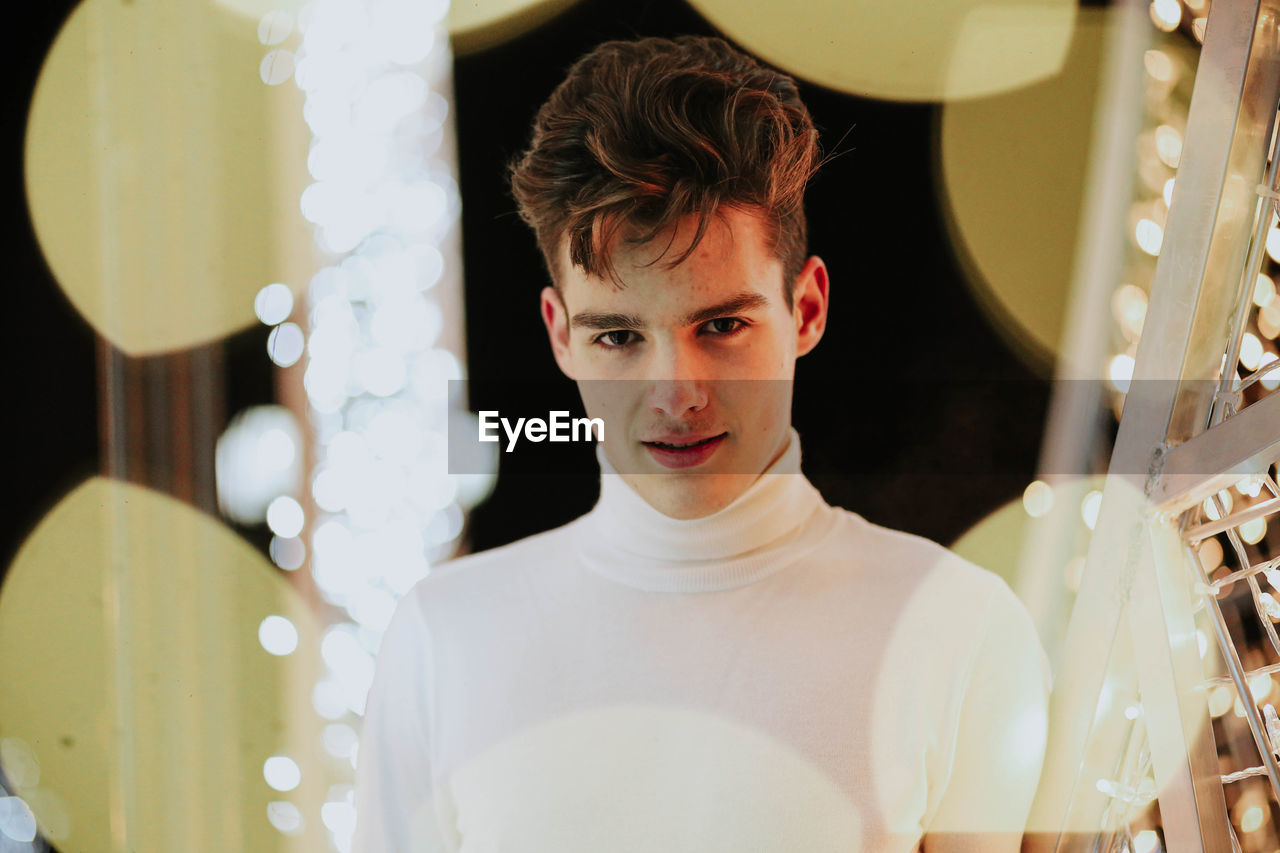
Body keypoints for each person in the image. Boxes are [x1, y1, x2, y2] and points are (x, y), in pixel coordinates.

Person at [354, 34, 1050, 853]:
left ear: (809, 308)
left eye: (721, 325)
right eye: (618, 336)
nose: (676, 392)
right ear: (561, 336)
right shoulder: (445, 638)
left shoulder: (956, 628)